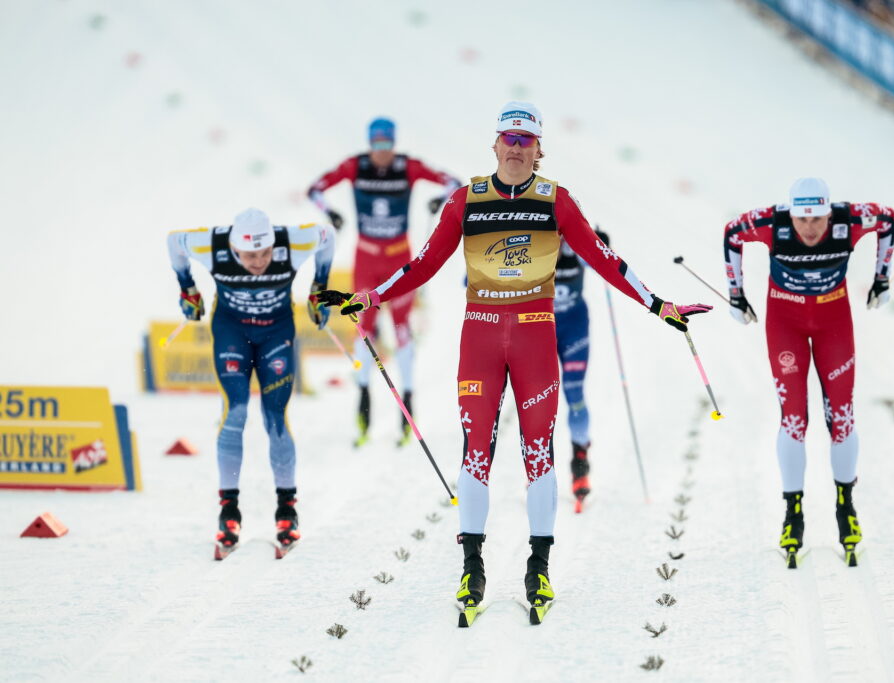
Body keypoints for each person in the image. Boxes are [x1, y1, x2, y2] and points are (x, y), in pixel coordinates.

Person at [315, 102, 711, 623]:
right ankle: (471, 568)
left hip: (534, 338)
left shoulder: (556, 201)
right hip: (480, 336)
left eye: (527, 140)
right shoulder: (466, 200)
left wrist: (659, 305)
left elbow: (605, 260)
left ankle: (538, 567)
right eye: (510, 138)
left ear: (539, 149)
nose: (518, 148)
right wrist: (371, 297)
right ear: (496, 144)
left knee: (538, 454)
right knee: (475, 451)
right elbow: (423, 264)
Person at [723, 177, 894, 568]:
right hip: (786, 323)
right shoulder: (773, 222)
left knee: (842, 416)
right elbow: (732, 232)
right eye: (802, 219)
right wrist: (736, 294)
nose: (810, 228)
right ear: (792, 214)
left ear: (828, 212)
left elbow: (887, 220)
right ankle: (793, 513)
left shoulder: (849, 220)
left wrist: (882, 278)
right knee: (794, 419)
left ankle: (845, 507)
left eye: (817, 218)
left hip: (834, 322)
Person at [167, 208, 335, 558]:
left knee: (275, 416)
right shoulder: (213, 245)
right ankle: (229, 512)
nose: (258, 262)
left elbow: (328, 235)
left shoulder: (293, 241)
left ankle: (287, 510)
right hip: (232, 333)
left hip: (276, 333)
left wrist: (319, 286)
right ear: (234, 248)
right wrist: (187, 288)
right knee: (236, 411)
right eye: (249, 256)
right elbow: (174, 242)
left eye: (265, 253)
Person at [307, 117, 461, 446]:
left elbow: (453, 182)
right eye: (376, 144)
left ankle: (408, 409)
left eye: (387, 143)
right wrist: (330, 213)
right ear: (369, 143)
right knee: (364, 328)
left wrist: (441, 201)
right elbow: (315, 189)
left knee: (402, 328)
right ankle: (363, 404)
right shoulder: (356, 166)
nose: (382, 151)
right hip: (365, 260)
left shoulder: (407, 166)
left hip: (398, 258)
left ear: (394, 142)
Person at [553, 227, 610, 511]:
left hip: (573, 327)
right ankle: (539, 464)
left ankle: (579, 463)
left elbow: (600, 263)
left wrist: (600, 245)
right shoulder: (532, 238)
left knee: (574, 393)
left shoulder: (573, 242)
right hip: (539, 326)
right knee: (539, 397)